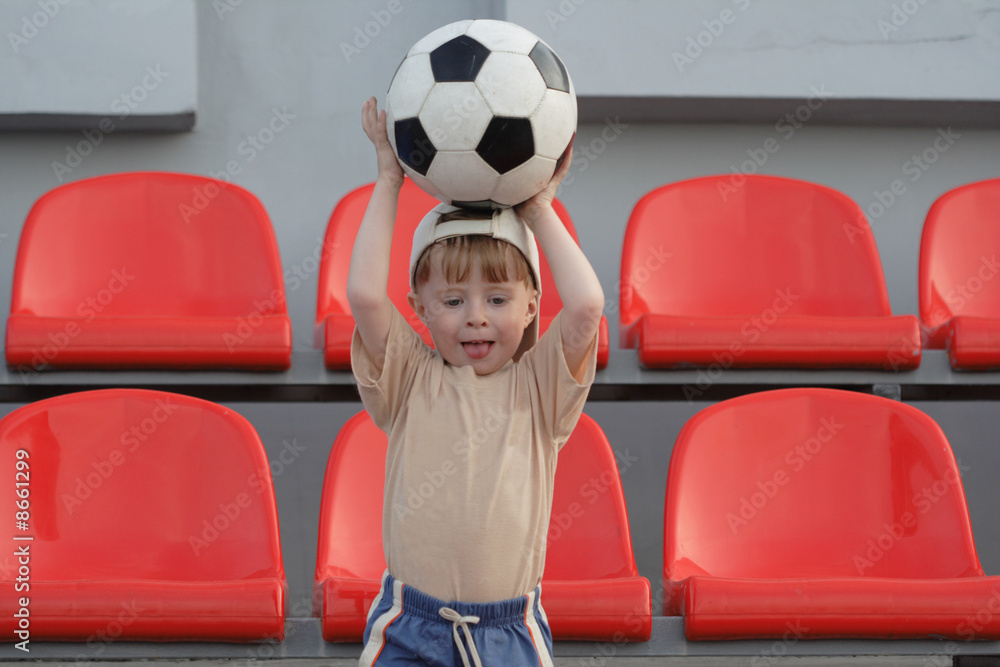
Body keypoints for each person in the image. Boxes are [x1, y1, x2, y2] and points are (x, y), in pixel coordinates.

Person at [348, 97, 604, 667]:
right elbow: (365, 296)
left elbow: (587, 305)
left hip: (509, 633)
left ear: (533, 303)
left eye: (498, 298)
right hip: (409, 627)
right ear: (419, 307)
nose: (476, 317)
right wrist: (388, 179)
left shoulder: (541, 389)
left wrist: (539, 208)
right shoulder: (409, 377)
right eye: (453, 300)